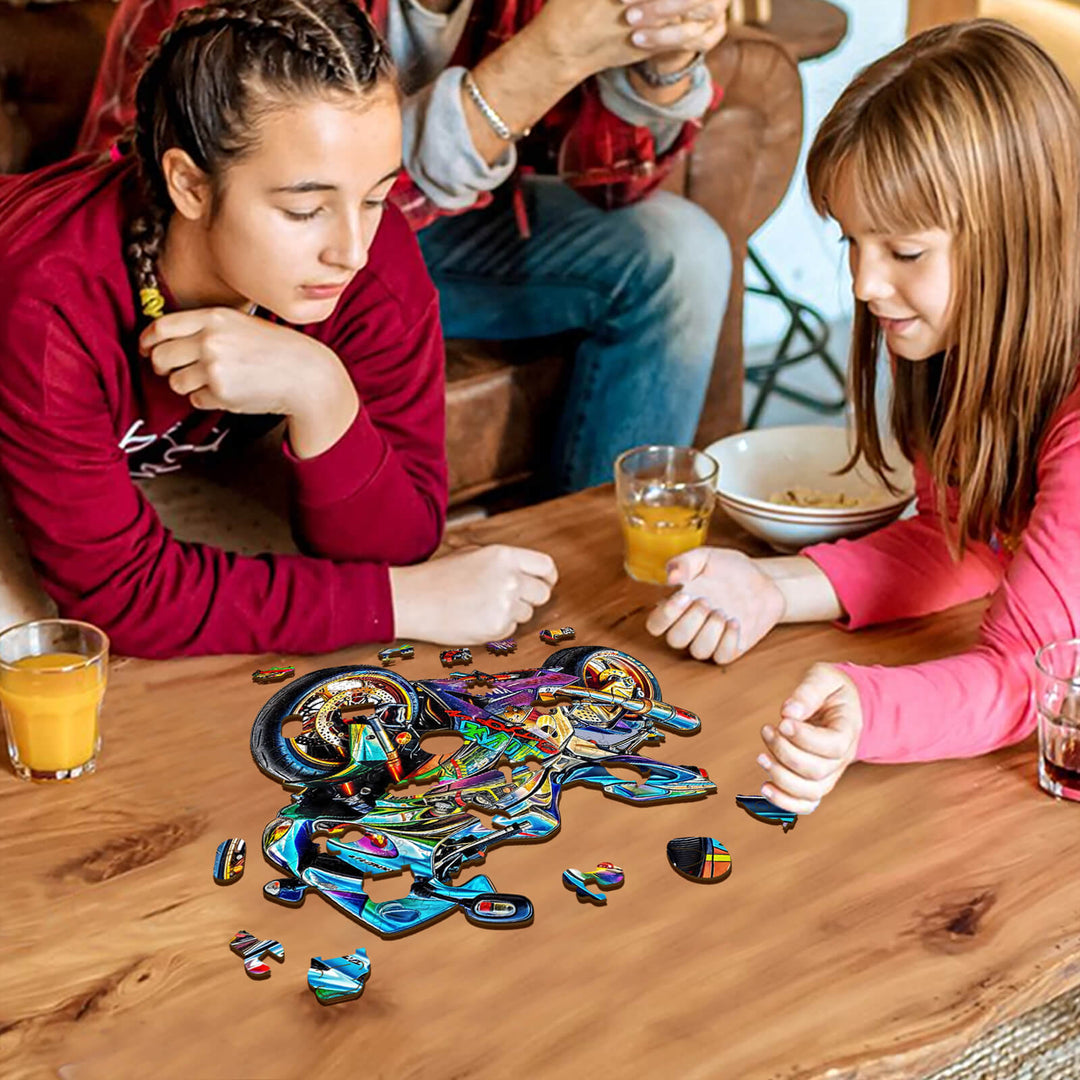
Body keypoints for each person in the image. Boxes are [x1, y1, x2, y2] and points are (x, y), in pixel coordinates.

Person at [0, 0, 556, 658]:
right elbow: (123, 598)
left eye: (375, 197)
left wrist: (321, 391)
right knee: (34, 651)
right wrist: (406, 601)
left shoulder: (371, 256)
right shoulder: (50, 299)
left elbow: (402, 538)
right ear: (189, 185)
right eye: (305, 209)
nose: (351, 248)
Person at [646, 19, 1080, 813]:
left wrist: (868, 709)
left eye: (904, 252)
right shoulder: (964, 348)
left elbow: (1033, 673)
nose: (862, 284)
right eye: (852, 241)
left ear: (1023, 237)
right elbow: (965, 538)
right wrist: (772, 588)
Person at [77, 0, 734, 493]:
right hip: (237, 250)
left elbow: (616, 187)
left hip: (436, 225)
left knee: (681, 252)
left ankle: (601, 560)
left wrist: (661, 64)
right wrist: (544, 59)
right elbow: (150, 205)